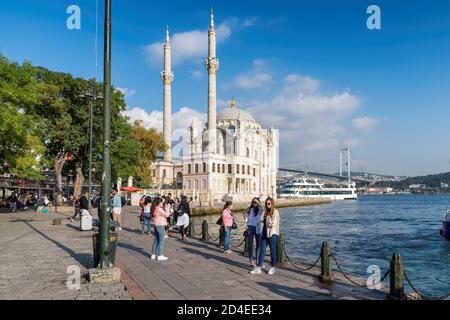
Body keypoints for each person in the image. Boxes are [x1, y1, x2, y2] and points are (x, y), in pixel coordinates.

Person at [251, 197, 280, 275]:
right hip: (265, 231)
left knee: (272, 250)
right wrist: (261, 221)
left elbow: (276, 222)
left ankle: (273, 267)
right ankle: (259, 267)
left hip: (272, 233)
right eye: (266, 204)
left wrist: (271, 223)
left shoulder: (275, 211)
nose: (267, 205)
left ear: (272, 204)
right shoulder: (266, 211)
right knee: (262, 249)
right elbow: (265, 220)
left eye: (269, 204)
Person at [243, 197, 264, 268]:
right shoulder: (249, 210)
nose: (254, 203)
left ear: (259, 203)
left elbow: (264, 216)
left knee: (259, 245)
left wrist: (261, 221)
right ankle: (251, 261)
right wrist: (244, 215)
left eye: (256, 202)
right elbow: (246, 220)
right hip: (250, 227)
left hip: (258, 228)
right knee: (250, 245)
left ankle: (258, 261)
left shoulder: (261, 209)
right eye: (253, 202)